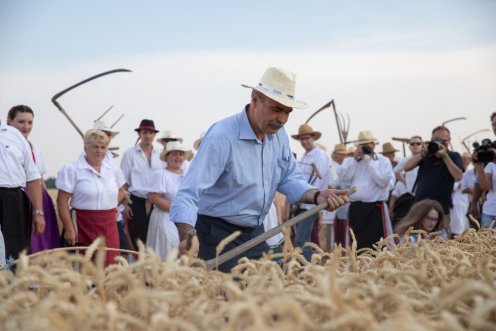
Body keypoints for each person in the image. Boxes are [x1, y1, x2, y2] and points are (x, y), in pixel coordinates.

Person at [170, 67, 348, 272]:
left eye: (287, 112)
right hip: (216, 235)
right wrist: (186, 235)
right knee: (225, 299)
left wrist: (318, 195)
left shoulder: (278, 136)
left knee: (264, 295)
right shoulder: (222, 137)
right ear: (255, 99)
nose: (282, 119)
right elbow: (190, 191)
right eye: (276, 109)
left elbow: (289, 178)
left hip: (255, 234)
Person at [56, 129, 126, 266]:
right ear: (85, 148)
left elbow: (122, 191)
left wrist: (112, 204)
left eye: (103, 147)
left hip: (109, 225)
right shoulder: (72, 169)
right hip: (83, 224)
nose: (99, 151)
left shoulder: (113, 170)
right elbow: (62, 201)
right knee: (84, 268)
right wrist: (69, 228)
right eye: (95, 147)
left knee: (110, 266)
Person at [7, 105, 59, 254]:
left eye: (30, 122)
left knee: (41, 244)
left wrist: (44, 206)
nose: (26, 126)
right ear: (9, 121)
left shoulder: (34, 148)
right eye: (21, 122)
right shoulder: (5, 145)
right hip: (18, 197)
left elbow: (39, 178)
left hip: (38, 201)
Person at [336, 130, 395, 250]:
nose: (365, 148)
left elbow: (383, 181)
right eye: (362, 145)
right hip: (356, 208)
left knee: (379, 244)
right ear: (358, 146)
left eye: (368, 145)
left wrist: (369, 161)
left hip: (375, 209)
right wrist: (354, 159)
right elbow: (343, 177)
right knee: (357, 244)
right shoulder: (350, 161)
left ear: (374, 145)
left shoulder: (383, 160)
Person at [1, 110, 44, 264]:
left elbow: (32, 176)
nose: (26, 126)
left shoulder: (15, 135)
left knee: (15, 250)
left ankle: (14, 285)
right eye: (22, 121)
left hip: (13, 199)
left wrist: (38, 212)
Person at [120, 119, 164, 248]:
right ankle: (140, 266)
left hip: (157, 203)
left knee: (156, 239)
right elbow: (123, 182)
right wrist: (125, 205)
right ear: (139, 134)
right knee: (138, 239)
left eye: (151, 133)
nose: (148, 136)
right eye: (145, 132)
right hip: (136, 202)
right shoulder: (130, 154)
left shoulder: (161, 154)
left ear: (154, 135)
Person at [404, 126, 464, 217]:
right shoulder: (427, 155)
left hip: (440, 207)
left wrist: (445, 156)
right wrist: (423, 153)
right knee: (416, 231)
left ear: (449, 140)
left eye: (443, 140)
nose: (440, 143)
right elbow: (406, 167)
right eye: (436, 140)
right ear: (431, 140)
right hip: (420, 205)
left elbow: (459, 176)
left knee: (440, 231)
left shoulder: (453, 155)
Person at [291, 123, 330, 260]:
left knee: (301, 241)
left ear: (313, 138)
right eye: (302, 139)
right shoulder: (304, 157)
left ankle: (307, 271)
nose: (304, 141)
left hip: (310, 204)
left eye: (307, 138)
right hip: (301, 204)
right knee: (304, 239)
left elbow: (318, 182)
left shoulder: (320, 155)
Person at [146, 141, 189, 259]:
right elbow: (154, 197)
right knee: (169, 249)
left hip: (186, 219)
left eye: (181, 154)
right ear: (167, 157)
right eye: (174, 154)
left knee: (186, 251)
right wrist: (176, 209)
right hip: (165, 217)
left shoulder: (187, 175)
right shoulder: (160, 175)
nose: (178, 157)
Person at [390, 135, 423, 223]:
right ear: (409, 147)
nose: (415, 145)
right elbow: (396, 172)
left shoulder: (428, 159)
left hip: (425, 197)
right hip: (411, 197)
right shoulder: (405, 160)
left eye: (418, 143)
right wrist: (405, 182)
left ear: (422, 145)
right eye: (412, 144)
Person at [474, 145, 496, 228]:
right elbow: (486, 187)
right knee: (485, 239)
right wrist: (478, 165)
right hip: (489, 211)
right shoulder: (491, 165)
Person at [450, 153, 471, 234]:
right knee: (457, 225)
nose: (466, 160)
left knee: (463, 223)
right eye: (464, 158)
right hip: (456, 202)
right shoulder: (455, 172)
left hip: (465, 202)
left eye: (468, 158)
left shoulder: (470, 172)